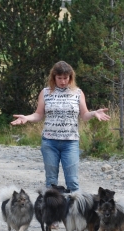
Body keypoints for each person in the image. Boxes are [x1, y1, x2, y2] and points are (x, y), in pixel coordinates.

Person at [11, 61, 110, 192]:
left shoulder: (78, 93)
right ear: (54, 77)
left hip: (70, 142)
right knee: (51, 182)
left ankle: (73, 212)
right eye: (59, 78)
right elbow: (39, 114)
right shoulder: (45, 92)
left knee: (73, 182)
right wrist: (26, 118)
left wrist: (94, 113)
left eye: (65, 78)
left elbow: (84, 115)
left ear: (70, 77)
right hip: (49, 142)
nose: (63, 81)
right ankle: (52, 211)